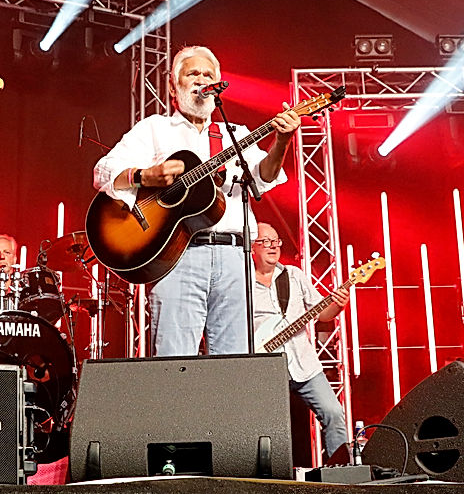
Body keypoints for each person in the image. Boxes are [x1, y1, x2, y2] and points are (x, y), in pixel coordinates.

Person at [92, 45, 299, 356]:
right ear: (173, 86)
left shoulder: (234, 133)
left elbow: (263, 177)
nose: (202, 79)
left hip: (235, 257)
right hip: (177, 256)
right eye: (193, 74)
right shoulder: (154, 128)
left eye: (208, 75)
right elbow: (103, 172)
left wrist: (282, 141)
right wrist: (144, 176)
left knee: (234, 361)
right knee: (175, 359)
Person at [251, 222, 350, 458]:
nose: (273, 246)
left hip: (304, 364)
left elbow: (322, 313)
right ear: (252, 247)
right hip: (263, 369)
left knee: (334, 413)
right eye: (266, 241)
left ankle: (341, 470)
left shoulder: (294, 275)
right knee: (267, 428)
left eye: (276, 241)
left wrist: (338, 305)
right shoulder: (240, 282)